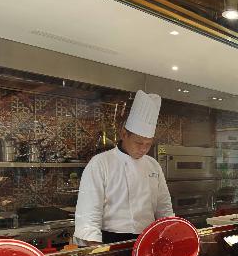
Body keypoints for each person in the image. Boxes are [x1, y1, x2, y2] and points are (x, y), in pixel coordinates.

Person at [74, 90, 174, 245]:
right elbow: (88, 216)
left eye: (148, 144)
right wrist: (97, 251)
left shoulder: (153, 165)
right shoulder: (100, 163)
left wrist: (171, 235)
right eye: (139, 143)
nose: (143, 149)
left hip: (147, 241)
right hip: (110, 241)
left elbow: (164, 209)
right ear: (124, 134)